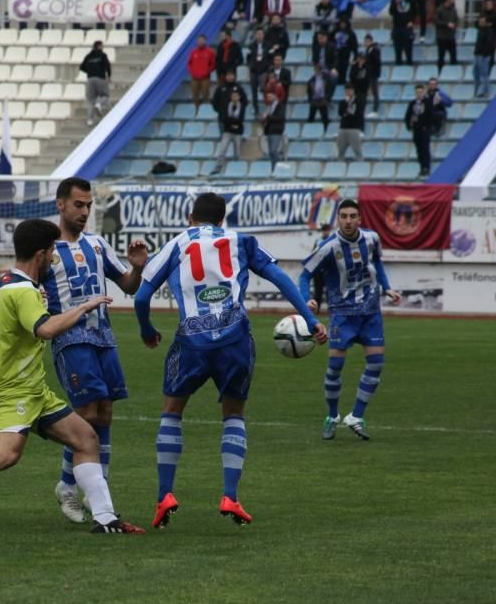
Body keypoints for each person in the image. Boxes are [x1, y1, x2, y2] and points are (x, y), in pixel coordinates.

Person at [0, 218, 145, 535]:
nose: (53, 260)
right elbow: (45, 329)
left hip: (35, 390)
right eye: (51, 254)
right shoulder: (23, 291)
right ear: (41, 254)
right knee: (5, 454)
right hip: (15, 389)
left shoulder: (5, 283)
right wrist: (83, 308)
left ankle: (106, 519)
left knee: (86, 438)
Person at [133, 192, 327, 529]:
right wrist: (310, 321)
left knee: (171, 411)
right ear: (222, 219)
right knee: (234, 414)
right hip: (235, 339)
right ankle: (230, 496)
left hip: (191, 341)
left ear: (190, 218)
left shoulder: (178, 242)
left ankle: (165, 494)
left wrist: (147, 329)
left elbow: (141, 297)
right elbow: (279, 278)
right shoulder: (241, 241)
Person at [40, 177, 148, 524]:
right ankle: (69, 487)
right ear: (61, 205)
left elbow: (128, 286)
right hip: (70, 339)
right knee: (85, 414)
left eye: (89, 205)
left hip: (102, 336)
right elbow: (25, 284)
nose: (85, 211)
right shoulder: (47, 250)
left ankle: (94, 488)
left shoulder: (98, 245)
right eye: (78, 205)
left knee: (104, 413)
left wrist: (137, 266)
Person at [298, 199, 401, 441]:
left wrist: (387, 287)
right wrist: (307, 299)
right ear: (338, 219)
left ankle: (356, 416)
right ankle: (332, 416)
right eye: (343, 216)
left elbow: (377, 263)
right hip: (342, 314)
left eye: (352, 216)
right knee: (335, 369)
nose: (347, 220)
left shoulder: (372, 239)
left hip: (370, 312)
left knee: (376, 364)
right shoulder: (328, 246)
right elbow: (304, 275)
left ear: (359, 218)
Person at [211, 89, 247, 176]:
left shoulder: (242, 107)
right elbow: (224, 118)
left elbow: (240, 119)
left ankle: (236, 170)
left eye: (236, 96)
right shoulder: (226, 106)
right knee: (222, 150)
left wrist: (232, 122)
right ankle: (218, 167)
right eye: (233, 96)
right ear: (231, 97)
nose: (234, 97)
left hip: (238, 132)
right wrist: (233, 124)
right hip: (227, 131)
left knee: (237, 152)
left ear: (239, 97)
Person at [404, 83, 435, 176]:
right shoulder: (412, 103)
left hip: (424, 130)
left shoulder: (428, 102)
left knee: (425, 149)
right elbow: (407, 116)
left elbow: (431, 116)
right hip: (416, 130)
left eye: (421, 92)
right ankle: (422, 167)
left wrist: (428, 127)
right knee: (419, 150)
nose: (419, 94)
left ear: (424, 92)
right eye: (417, 92)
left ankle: (426, 168)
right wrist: (409, 127)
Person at [79, 40, 111, 127]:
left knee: (90, 101)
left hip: (90, 79)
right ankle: (99, 103)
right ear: (99, 46)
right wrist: (109, 76)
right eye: (102, 46)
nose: (103, 47)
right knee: (105, 95)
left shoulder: (88, 56)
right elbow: (107, 66)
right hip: (100, 78)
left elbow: (81, 67)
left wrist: (89, 71)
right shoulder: (103, 55)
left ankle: (89, 120)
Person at [212, 69, 248, 136]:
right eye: (228, 75)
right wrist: (220, 110)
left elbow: (245, 101)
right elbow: (214, 101)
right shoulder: (220, 88)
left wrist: (240, 110)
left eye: (232, 75)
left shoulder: (239, 88)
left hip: (236, 120)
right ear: (226, 76)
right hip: (222, 119)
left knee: (236, 140)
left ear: (234, 76)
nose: (230, 77)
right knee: (224, 140)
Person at [187, 35, 216, 109]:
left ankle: (205, 111)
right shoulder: (193, 52)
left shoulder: (210, 52)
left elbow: (213, 64)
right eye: (199, 40)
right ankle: (196, 111)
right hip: (194, 78)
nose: (200, 42)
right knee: (195, 95)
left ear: (205, 41)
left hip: (205, 78)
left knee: (205, 94)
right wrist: (192, 72)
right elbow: (189, 63)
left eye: (202, 40)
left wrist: (207, 71)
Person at [336, 85, 364, 161]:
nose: (348, 93)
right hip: (343, 128)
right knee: (340, 151)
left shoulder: (358, 101)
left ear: (353, 91)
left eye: (349, 91)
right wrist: (346, 104)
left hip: (354, 128)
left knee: (357, 150)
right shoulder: (342, 102)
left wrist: (347, 114)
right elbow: (340, 113)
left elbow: (357, 114)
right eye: (346, 91)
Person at [473, 15, 496, 98]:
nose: (480, 22)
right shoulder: (480, 31)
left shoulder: (489, 32)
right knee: (476, 73)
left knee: (484, 74)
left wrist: (486, 53)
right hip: (477, 54)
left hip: (484, 55)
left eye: (482, 21)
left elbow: (490, 44)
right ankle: (477, 91)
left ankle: (485, 92)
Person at [246, 28, 270, 114]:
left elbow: (270, 56)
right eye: (257, 34)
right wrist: (250, 66)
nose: (259, 36)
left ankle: (268, 105)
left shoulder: (268, 45)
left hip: (263, 70)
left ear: (263, 35)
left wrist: (267, 66)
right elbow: (248, 58)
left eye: (261, 34)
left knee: (264, 89)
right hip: (254, 70)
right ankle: (255, 108)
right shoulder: (251, 46)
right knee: (253, 90)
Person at [390, 0, 417, 65]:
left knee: (408, 51)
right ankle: (398, 67)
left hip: (407, 29)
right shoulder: (394, 0)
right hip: (397, 28)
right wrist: (396, 2)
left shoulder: (411, 0)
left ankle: (409, 66)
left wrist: (412, 22)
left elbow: (415, 12)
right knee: (398, 52)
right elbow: (391, 12)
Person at [260, 89, 285, 170]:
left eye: (270, 96)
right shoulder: (269, 107)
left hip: (277, 130)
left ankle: (280, 164)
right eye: (267, 97)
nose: (269, 98)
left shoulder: (279, 105)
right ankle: (273, 168)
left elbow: (280, 118)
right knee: (270, 152)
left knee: (274, 150)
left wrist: (268, 117)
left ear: (275, 96)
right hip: (269, 131)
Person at [434, 0, 459, 72]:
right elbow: (436, 21)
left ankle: (453, 72)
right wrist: (446, 24)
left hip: (451, 37)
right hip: (442, 37)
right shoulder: (439, 9)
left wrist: (454, 24)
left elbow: (456, 19)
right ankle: (440, 72)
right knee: (441, 57)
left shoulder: (453, 9)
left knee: (453, 56)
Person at [312, 31, 338, 101]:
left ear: (325, 38)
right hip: (319, 70)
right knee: (310, 82)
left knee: (332, 79)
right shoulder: (316, 47)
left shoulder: (332, 46)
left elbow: (336, 59)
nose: (319, 40)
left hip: (329, 69)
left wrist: (334, 68)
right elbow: (314, 60)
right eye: (318, 38)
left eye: (321, 38)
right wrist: (316, 68)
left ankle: (327, 98)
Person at [311, 223, 333, 307]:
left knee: (330, 291)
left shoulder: (332, 240)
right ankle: (316, 309)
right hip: (319, 269)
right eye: (324, 230)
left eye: (327, 230)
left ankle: (331, 308)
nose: (326, 232)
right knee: (318, 291)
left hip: (329, 270)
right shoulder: (318, 241)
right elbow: (313, 254)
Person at [332, 19, 358, 84]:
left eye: (344, 23)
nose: (342, 25)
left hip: (345, 56)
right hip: (335, 55)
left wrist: (355, 56)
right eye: (341, 23)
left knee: (343, 72)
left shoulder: (351, 33)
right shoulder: (335, 32)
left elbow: (354, 46)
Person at [306, 64, 331, 131]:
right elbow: (308, 91)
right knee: (311, 117)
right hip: (314, 100)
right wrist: (310, 99)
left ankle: (326, 131)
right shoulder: (311, 80)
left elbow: (328, 89)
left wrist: (327, 98)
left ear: (320, 71)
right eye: (315, 70)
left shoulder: (326, 79)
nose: (316, 72)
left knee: (325, 118)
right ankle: (309, 130)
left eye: (318, 70)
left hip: (322, 100)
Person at [362, 34, 382, 115]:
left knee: (374, 91)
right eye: (365, 41)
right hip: (368, 73)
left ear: (370, 41)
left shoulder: (374, 49)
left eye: (367, 41)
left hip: (373, 74)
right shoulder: (368, 49)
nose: (365, 43)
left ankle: (375, 110)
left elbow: (377, 62)